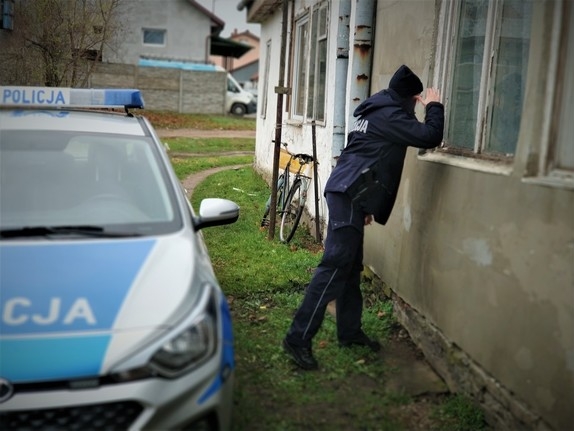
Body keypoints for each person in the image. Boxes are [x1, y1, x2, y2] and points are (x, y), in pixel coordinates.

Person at [282, 64, 444, 370]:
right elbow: (429, 136)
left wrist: (363, 204)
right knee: (333, 268)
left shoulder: (376, 111)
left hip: (349, 193)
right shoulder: (390, 116)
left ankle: (350, 332)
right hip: (346, 193)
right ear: (409, 99)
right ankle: (297, 338)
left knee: (350, 268)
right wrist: (434, 105)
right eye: (415, 101)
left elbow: (364, 156)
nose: (415, 107)